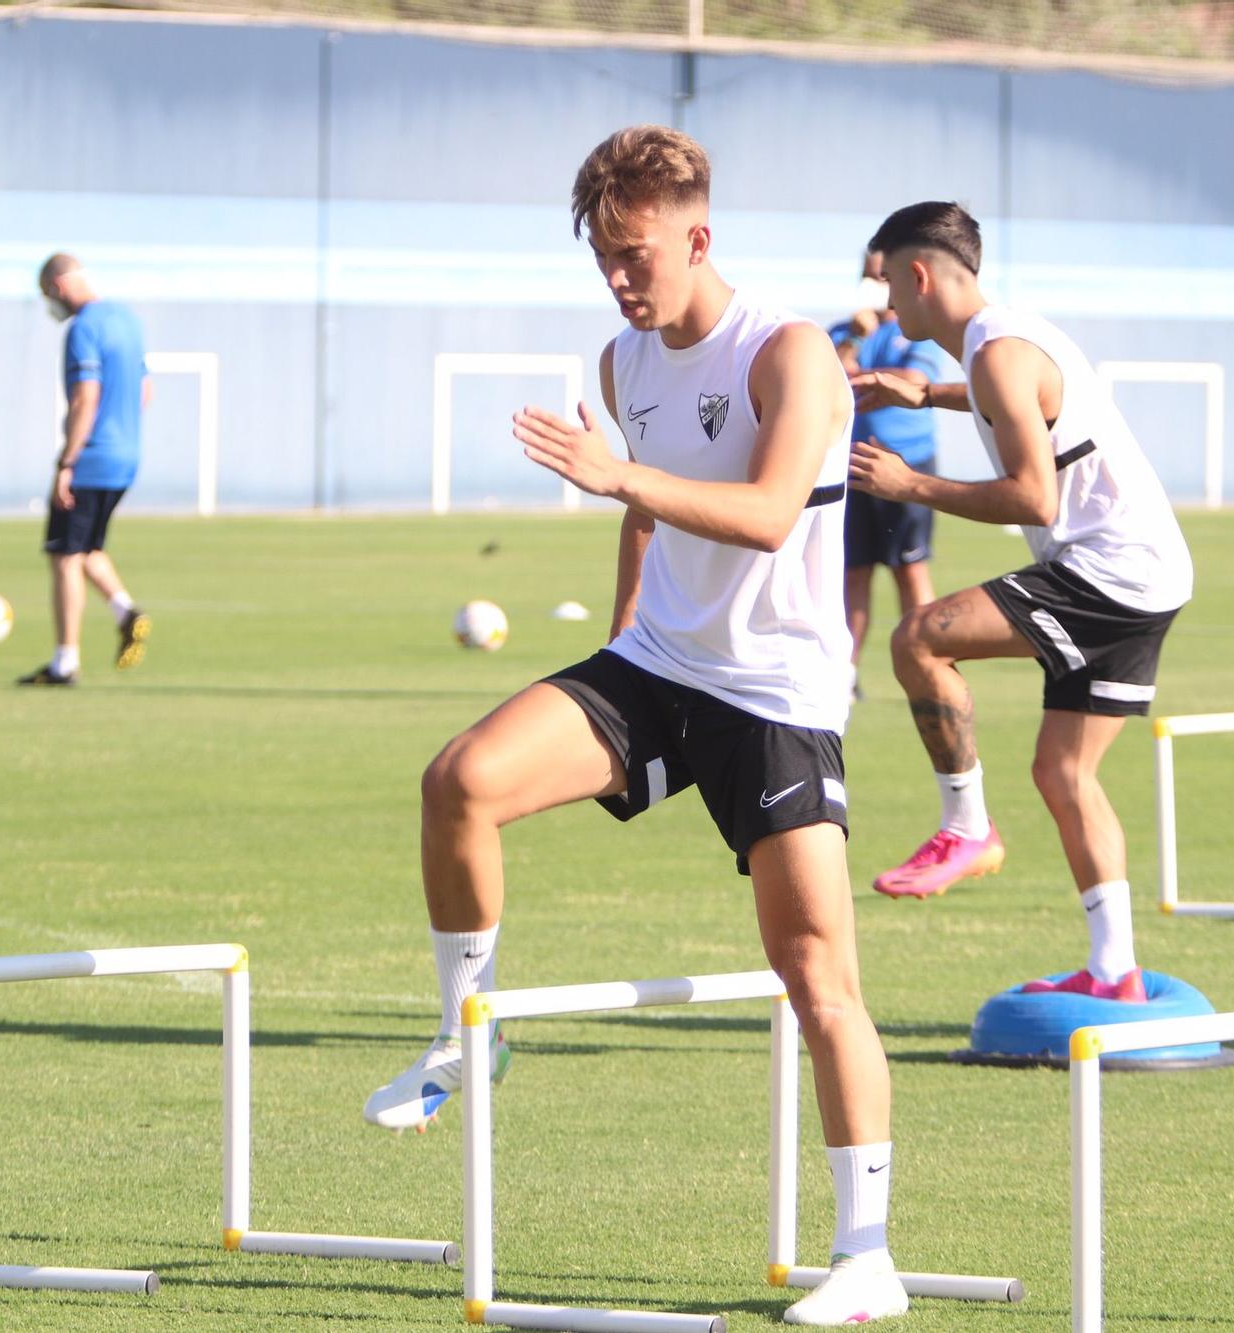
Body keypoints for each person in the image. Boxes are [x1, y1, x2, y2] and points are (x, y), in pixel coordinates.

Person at [362, 126, 910, 1325]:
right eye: (603, 258)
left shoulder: (789, 350)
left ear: (697, 235)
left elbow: (768, 515)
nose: (619, 278)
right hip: (656, 666)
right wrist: (618, 645)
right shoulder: (619, 362)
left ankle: (866, 1255)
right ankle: (469, 1036)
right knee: (458, 780)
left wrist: (617, 480)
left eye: (635, 253)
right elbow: (645, 521)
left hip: (775, 696)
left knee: (817, 977)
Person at [848, 202, 1192, 1002]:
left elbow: (1034, 499)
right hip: (1149, 572)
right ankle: (1117, 973)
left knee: (919, 639)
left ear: (921, 274)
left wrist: (910, 484)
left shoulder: (998, 351)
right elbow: (1012, 399)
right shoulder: (1004, 338)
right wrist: (925, 393)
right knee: (1064, 772)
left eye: (891, 282)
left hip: (1104, 572)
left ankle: (966, 827)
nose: (889, 303)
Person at [18, 253, 152, 686]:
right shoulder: (128, 321)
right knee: (87, 546)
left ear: (58, 286)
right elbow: (145, 390)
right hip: (126, 456)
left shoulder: (84, 328)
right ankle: (126, 612)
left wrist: (67, 461)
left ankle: (64, 663)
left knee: (63, 555)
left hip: (92, 458)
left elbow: (85, 399)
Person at [828, 252, 944, 700]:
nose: (875, 284)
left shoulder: (919, 330)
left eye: (882, 276)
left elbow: (915, 379)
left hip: (909, 465)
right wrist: (854, 343)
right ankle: (844, 672)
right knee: (852, 574)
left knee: (909, 567)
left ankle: (930, 662)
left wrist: (864, 375)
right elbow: (825, 377)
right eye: (868, 276)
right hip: (853, 467)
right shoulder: (844, 330)